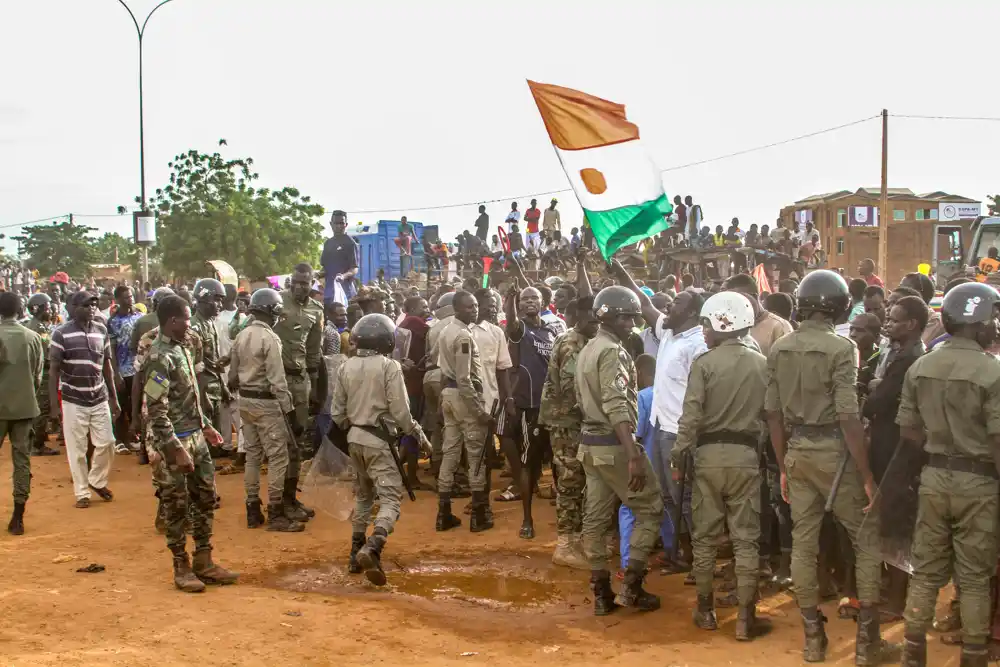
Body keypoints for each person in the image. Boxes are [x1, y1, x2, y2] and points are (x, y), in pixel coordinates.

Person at [765, 270, 887, 664]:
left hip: (798, 451)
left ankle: (813, 637)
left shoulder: (780, 348)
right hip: (836, 452)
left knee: (803, 542)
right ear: (837, 306)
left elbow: (772, 414)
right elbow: (849, 415)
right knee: (864, 539)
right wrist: (867, 475)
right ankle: (868, 644)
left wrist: (784, 465)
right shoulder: (842, 348)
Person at [671, 291, 771, 640]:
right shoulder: (762, 363)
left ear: (721, 322)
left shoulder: (705, 363)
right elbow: (770, 415)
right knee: (746, 541)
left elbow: (691, 416)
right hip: (746, 458)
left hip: (709, 458)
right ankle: (745, 618)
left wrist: (679, 455)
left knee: (705, 539)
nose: (704, 331)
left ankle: (706, 610)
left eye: (707, 324)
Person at [576, 284, 663, 615]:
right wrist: (634, 455)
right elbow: (616, 405)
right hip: (613, 445)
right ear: (610, 317)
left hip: (590, 445)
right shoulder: (612, 352)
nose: (632, 324)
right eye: (626, 318)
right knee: (651, 507)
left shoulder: (589, 348)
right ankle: (632, 587)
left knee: (595, 520)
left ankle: (601, 594)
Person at [612, 260, 704, 571]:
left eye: (677, 301)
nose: (670, 303)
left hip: (680, 432)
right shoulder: (669, 332)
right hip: (660, 429)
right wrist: (623, 275)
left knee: (685, 499)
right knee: (668, 496)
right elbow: (645, 303)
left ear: (691, 312)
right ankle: (680, 554)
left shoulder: (698, 343)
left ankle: (696, 559)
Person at [144, 295, 237, 592]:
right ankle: (181, 566)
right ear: (172, 321)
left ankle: (204, 560)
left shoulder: (183, 348)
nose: (189, 323)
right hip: (175, 443)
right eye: (185, 318)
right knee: (176, 506)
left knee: (206, 497)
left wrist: (206, 426)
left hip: (195, 437)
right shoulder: (159, 356)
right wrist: (174, 448)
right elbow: (155, 406)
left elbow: (189, 397)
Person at [332, 313, 431, 585]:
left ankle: (355, 552)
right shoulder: (390, 367)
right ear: (387, 340)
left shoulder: (345, 367)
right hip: (379, 442)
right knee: (390, 499)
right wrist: (418, 434)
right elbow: (401, 413)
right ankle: (373, 547)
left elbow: (337, 413)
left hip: (355, 440)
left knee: (364, 495)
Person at [228, 288, 302, 533]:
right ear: (273, 312)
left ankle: (252, 509)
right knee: (279, 457)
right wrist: (290, 411)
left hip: (245, 401)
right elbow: (277, 381)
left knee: (252, 455)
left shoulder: (242, 335)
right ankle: (276, 512)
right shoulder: (270, 338)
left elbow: (232, 377)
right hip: (267, 402)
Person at [540, 287, 598, 569]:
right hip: (567, 425)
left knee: (579, 481)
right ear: (584, 317)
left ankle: (577, 540)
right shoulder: (572, 344)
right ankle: (565, 544)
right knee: (570, 481)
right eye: (595, 318)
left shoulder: (583, 339)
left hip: (573, 423)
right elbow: (573, 390)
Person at [503, 261, 559, 539]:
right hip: (529, 406)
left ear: (542, 303)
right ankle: (527, 520)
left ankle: (564, 515)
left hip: (553, 406)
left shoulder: (551, 331)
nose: (529, 303)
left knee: (559, 462)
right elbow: (511, 322)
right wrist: (511, 300)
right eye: (524, 299)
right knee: (528, 464)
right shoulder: (519, 330)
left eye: (533, 298)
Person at [50, 290, 120, 509]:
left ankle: (96, 480)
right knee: (77, 449)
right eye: (86, 305)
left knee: (108, 442)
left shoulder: (101, 330)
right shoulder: (60, 333)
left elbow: (107, 366)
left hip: (99, 396)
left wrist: (114, 398)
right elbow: (54, 371)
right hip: (73, 398)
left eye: (94, 305)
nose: (91, 309)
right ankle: (82, 493)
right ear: (74, 308)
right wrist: (55, 405)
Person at [436, 291, 492, 532]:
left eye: (476, 306)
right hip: (463, 397)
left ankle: (443, 513)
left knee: (450, 453)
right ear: (457, 309)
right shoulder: (463, 336)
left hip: (449, 396)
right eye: (469, 307)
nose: (475, 310)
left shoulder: (446, 330)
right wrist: (480, 411)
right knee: (475, 455)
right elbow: (464, 379)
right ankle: (479, 515)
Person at [274, 264, 326, 521]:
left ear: (312, 284)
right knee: (280, 443)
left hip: (301, 381)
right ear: (290, 282)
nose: (300, 287)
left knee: (298, 440)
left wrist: (315, 388)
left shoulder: (317, 311)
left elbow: (315, 353)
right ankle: (276, 503)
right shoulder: (276, 302)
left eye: (305, 283)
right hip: (276, 381)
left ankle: (290, 498)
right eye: (296, 281)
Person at [0, 291, 44, 535]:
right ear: (20, 310)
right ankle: (18, 517)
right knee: (21, 462)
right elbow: (38, 375)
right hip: (25, 407)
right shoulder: (33, 337)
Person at [190, 279, 229, 455]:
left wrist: (223, 386)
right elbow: (192, 366)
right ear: (204, 299)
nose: (220, 304)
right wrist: (200, 396)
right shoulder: (193, 327)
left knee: (214, 437)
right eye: (217, 299)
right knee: (203, 438)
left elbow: (213, 360)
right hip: (202, 387)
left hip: (214, 386)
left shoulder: (211, 323)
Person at [107, 285, 142, 454]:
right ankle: (120, 439)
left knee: (135, 405)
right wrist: (115, 373)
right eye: (127, 297)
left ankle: (134, 436)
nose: (131, 299)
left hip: (137, 368)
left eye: (131, 296)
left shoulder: (139, 317)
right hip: (122, 368)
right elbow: (111, 349)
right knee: (121, 404)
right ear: (118, 300)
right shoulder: (113, 321)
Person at [23, 292, 59, 456]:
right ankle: (36, 445)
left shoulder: (32, 325)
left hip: (35, 372)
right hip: (42, 373)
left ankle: (38, 439)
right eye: (47, 307)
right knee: (42, 408)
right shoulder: (38, 328)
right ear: (38, 309)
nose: (51, 310)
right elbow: (46, 354)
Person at [321, 210, 359, 303]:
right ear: (331, 224)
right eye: (336, 223)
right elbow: (324, 268)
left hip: (346, 293)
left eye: (341, 223)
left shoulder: (350, 243)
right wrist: (316, 275)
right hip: (329, 293)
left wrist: (343, 276)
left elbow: (354, 268)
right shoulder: (328, 243)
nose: (339, 226)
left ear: (346, 224)